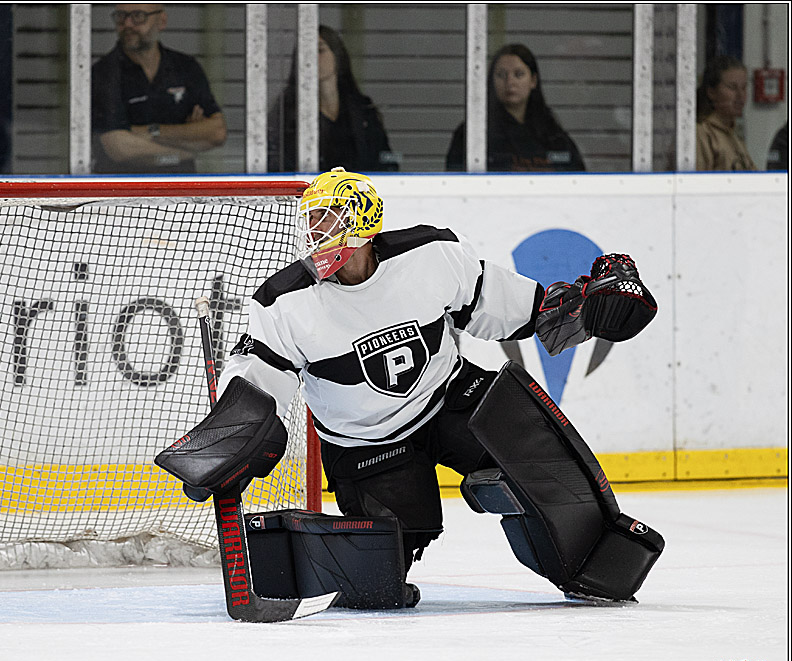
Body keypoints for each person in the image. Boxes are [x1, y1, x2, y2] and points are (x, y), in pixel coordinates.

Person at [158, 167, 663, 609]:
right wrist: (229, 437)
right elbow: (255, 385)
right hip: (365, 444)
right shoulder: (284, 302)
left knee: (546, 468)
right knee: (376, 586)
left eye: (329, 221)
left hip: (453, 399)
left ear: (362, 226)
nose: (316, 234)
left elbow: (515, 309)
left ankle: (598, 563)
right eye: (310, 222)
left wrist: (580, 311)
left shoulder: (430, 254)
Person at [90, 3, 226, 174]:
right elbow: (119, 147)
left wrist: (148, 132)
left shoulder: (185, 67)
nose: (128, 24)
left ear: (161, 21)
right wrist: (187, 147)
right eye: (120, 16)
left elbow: (216, 133)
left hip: (182, 188)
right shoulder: (103, 73)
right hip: (122, 191)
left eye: (138, 16)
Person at [268, 25, 399, 173]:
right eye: (306, 52)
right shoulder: (287, 112)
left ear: (337, 55)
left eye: (320, 50)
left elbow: (385, 165)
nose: (312, 59)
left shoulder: (362, 111)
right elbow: (277, 165)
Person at [445, 43, 585, 172]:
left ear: (533, 81)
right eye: (501, 75)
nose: (510, 82)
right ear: (491, 81)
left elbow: (577, 179)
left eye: (519, 74)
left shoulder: (552, 134)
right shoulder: (473, 133)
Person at [695, 55, 756, 171]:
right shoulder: (702, 133)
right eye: (732, 88)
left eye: (744, 88)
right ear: (711, 92)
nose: (740, 95)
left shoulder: (734, 134)